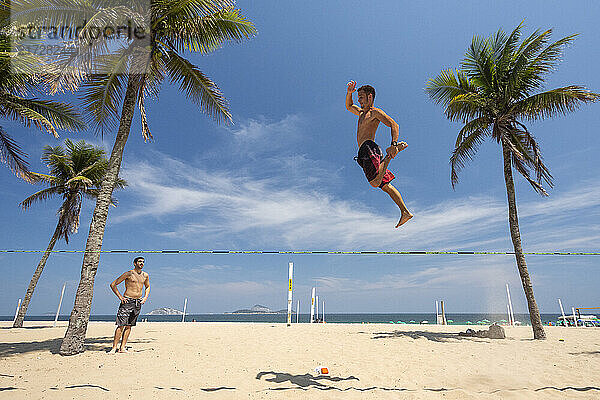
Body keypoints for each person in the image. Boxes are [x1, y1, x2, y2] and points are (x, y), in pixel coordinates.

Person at [346, 81, 413, 228]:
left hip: (369, 148)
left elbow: (394, 124)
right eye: (358, 97)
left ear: (370, 97)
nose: (359, 100)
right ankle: (405, 212)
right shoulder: (361, 112)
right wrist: (349, 92)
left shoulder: (374, 112)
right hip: (364, 152)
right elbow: (349, 106)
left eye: (361, 97)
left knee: (374, 182)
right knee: (384, 185)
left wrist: (394, 145)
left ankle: (390, 155)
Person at [108, 256, 150, 353]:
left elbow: (147, 286)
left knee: (129, 325)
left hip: (138, 302)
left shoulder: (145, 275)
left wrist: (145, 298)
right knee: (121, 325)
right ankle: (114, 348)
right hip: (127, 301)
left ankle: (122, 347)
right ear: (134, 263)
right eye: (139, 262)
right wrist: (120, 297)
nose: (141, 263)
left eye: (143, 262)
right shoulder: (129, 274)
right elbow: (113, 284)